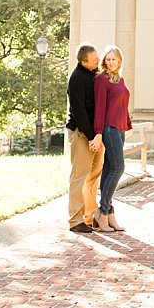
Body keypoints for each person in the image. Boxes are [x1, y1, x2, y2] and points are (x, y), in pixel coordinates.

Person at [65, 43, 104, 234]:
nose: (99, 60)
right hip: (83, 134)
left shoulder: (92, 74)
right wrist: (91, 136)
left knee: (94, 176)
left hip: (95, 135)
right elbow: (79, 111)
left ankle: (89, 215)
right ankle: (75, 220)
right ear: (83, 61)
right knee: (79, 177)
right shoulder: (77, 79)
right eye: (95, 59)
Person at [94, 45, 132, 233]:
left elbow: (123, 105)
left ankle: (109, 215)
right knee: (119, 168)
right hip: (109, 129)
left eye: (114, 59)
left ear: (119, 61)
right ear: (104, 61)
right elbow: (100, 107)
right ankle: (102, 213)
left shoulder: (120, 79)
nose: (110, 62)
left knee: (109, 168)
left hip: (120, 128)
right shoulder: (102, 80)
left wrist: (128, 124)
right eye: (108, 59)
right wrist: (99, 132)